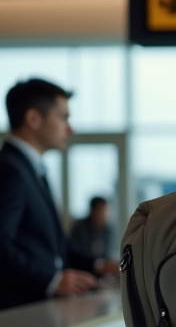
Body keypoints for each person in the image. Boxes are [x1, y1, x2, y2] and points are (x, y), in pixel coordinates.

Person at [0, 79, 117, 311]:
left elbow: (54, 247)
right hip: (19, 315)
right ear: (33, 119)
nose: (69, 129)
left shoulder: (30, 170)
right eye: (63, 118)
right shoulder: (10, 170)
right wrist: (51, 281)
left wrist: (99, 265)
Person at [69, 196, 115, 264]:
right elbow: (78, 255)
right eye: (101, 211)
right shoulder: (80, 228)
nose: (105, 216)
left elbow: (106, 253)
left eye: (106, 212)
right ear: (93, 211)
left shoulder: (107, 230)